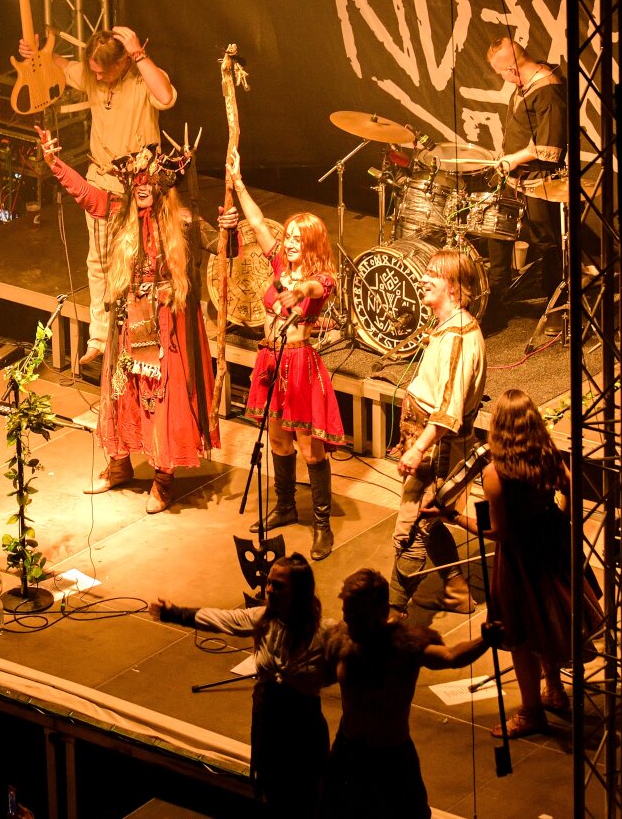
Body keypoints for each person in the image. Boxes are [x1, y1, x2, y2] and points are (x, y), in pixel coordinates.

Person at [36, 128, 217, 512]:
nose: (142, 186)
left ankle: (163, 478)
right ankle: (119, 465)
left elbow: (224, 246)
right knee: (121, 392)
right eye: (137, 180)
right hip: (128, 320)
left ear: (162, 185)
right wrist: (56, 164)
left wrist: (232, 225)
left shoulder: (184, 221)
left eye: (148, 180)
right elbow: (87, 196)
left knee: (163, 398)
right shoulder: (122, 214)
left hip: (166, 324)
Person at [430, 388, 601, 739]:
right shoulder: (547, 454)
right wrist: (561, 519)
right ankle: (554, 689)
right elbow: (571, 486)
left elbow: (499, 532)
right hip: (552, 545)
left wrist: (455, 517)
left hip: (521, 557)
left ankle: (531, 713)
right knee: (547, 620)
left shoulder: (497, 473)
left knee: (520, 634)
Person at [19, 26, 175, 374]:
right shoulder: (93, 77)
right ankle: (100, 339)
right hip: (101, 184)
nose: (97, 76)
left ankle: (142, 343)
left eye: (102, 70)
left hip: (139, 189)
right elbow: (60, 66)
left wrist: (138, 53)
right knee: (98, 264)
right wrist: (38, 54)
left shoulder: (141, 79)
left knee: (140, 266)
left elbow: (165, 97)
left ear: (122, 62)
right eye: (93, 70)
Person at [152, 553, 341, 817]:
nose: (269, 590)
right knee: (272, 791)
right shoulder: (263, 618)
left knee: (305, 795)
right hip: (268, 721)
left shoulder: (324, 632)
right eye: (269, 583)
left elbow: (355, 657)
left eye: (278, 586)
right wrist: (175, 613)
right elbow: (222, 619)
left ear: (299, 592)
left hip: (301, 728)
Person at [225, 150, 346, 560]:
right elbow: (258, 222)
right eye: (289, 237)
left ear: (311, 244)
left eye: (298, 239)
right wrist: (238, 182)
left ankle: (322, 524)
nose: (290, 243)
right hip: (270, 360)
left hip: (300, 364)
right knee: (277, 440)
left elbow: (313, 289)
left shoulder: (322, 278)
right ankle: (286, 506)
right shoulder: (278, 263)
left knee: (309, 448)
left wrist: (298, 291)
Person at [319, 568, 503, 818]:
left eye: (357, 615)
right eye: (347, 612)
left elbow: (450, 656)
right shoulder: (343, 640)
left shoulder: (403, 647)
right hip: (348, 750)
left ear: (380, 612)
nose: (349, 621)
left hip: (391, 757)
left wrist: (485, 641)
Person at [388, 248, 487, 616]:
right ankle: (457, 590)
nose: (423, 278)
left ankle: (392, 611)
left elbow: (448, 413)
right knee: (428, 518)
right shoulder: (447, 329)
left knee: (412, 529)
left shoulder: (459, 338)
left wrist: (418, 449)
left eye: (433, 274)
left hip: (437, 450)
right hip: (425, 444)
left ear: (455, 288)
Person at [483, 38, 567, 322]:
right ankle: (497, 297)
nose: (503, 79)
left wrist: (515, 159)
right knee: (497, 231)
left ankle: (556, 306)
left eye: (502, 73)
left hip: (539, 181)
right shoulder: (525, 83)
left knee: (545, 243)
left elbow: (550, 145)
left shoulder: (548, 90)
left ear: (512, 69)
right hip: (514, 177)